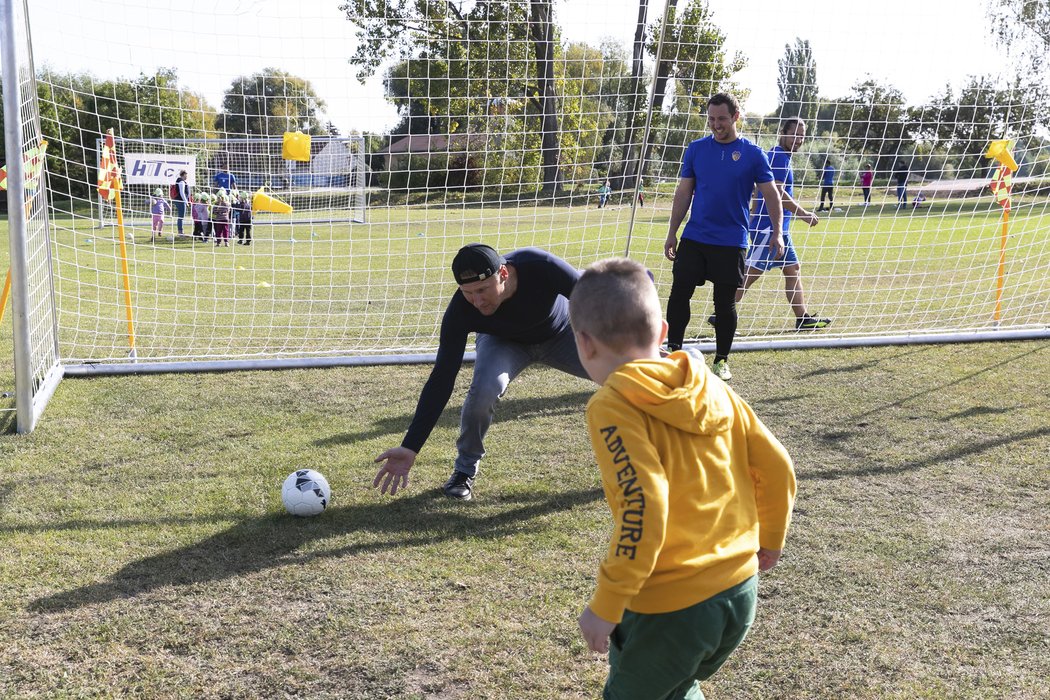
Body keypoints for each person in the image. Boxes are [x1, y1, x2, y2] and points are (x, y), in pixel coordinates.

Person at [569, 257, 797, 700]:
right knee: (677, 685)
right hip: (739, 589)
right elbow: (775, 463)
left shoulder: (613, 405)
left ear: (584, 343)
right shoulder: (708, 383)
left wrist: (607, 603)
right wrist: (770, 536)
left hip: (673, 607)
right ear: (662, 332)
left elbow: (644, 505)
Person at [373, 244, 590, 501]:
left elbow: (598, 301)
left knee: (629, 376)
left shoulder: (540, 265)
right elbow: (442, 377)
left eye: (483, 289)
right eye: (468, 293)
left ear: (504, 274)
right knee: (483, 393)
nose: (476, 301)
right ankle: (464, 471)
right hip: (503, 342)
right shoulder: (461, 310)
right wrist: (411, 446)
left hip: (562, 332)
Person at [664, 92, 784, 382]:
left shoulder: (754, 154)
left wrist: (777, 234)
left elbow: (771, 195)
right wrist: (672, 232)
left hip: (732, 242)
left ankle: (721, 360)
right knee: (680, 292)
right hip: (695, 237)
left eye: (721, 119)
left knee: (724, 303)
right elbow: (683, 193)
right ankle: (673, 351)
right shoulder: (696, 149)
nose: (716, 125)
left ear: (735, 117)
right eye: (711, 119)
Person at [708, 117, 832, 331]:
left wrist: (755, 216)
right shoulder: (779, 157)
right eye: (794, 134)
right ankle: (721, 315)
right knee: (749, 275)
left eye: (802, 136)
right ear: (783, 132)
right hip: (769, 229)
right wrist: (802, 213)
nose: (798, 139)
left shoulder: (780, 156)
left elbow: (758, 192)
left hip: (776, 229)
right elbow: (777, 192)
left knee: (792, 269)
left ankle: (802, 318)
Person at [173, 170, 191, 236]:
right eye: (186, 175)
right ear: (183, 175)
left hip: (180, 200)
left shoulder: (182, 181)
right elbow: (182, 193)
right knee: (181, 217)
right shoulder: (181, 181)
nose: (187, 176)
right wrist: (186, 202)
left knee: (181, 216)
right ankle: (180, 232)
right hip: (180, 201)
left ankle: (180, 232)